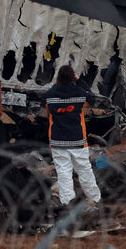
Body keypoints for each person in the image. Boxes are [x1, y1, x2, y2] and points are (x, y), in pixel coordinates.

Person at [43, 65, 101, 209]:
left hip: (58, 141)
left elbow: (45, 105)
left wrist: (58, 85)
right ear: (72, 77)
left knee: (63, 173)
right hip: (78, 140)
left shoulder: (50, 95)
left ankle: (68, 204)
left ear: (58, 78)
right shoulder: (79, 93)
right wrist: (79, 80)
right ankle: (95, 200)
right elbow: (91, 97)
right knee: (85, 170)